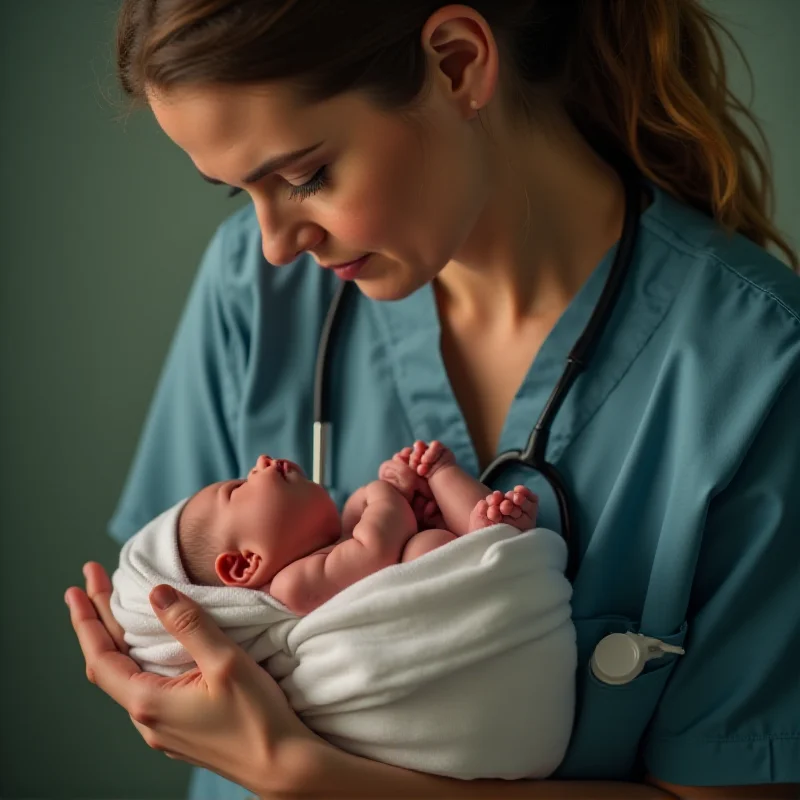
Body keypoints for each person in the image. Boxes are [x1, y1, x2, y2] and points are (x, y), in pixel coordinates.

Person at [65, 0, 800, 798]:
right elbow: (183, 604)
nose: (277, 242)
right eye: (238, 193)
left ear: (456, 63)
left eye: (305, 176)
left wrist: (311, 776)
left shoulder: (761, 366)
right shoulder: (254, 287)